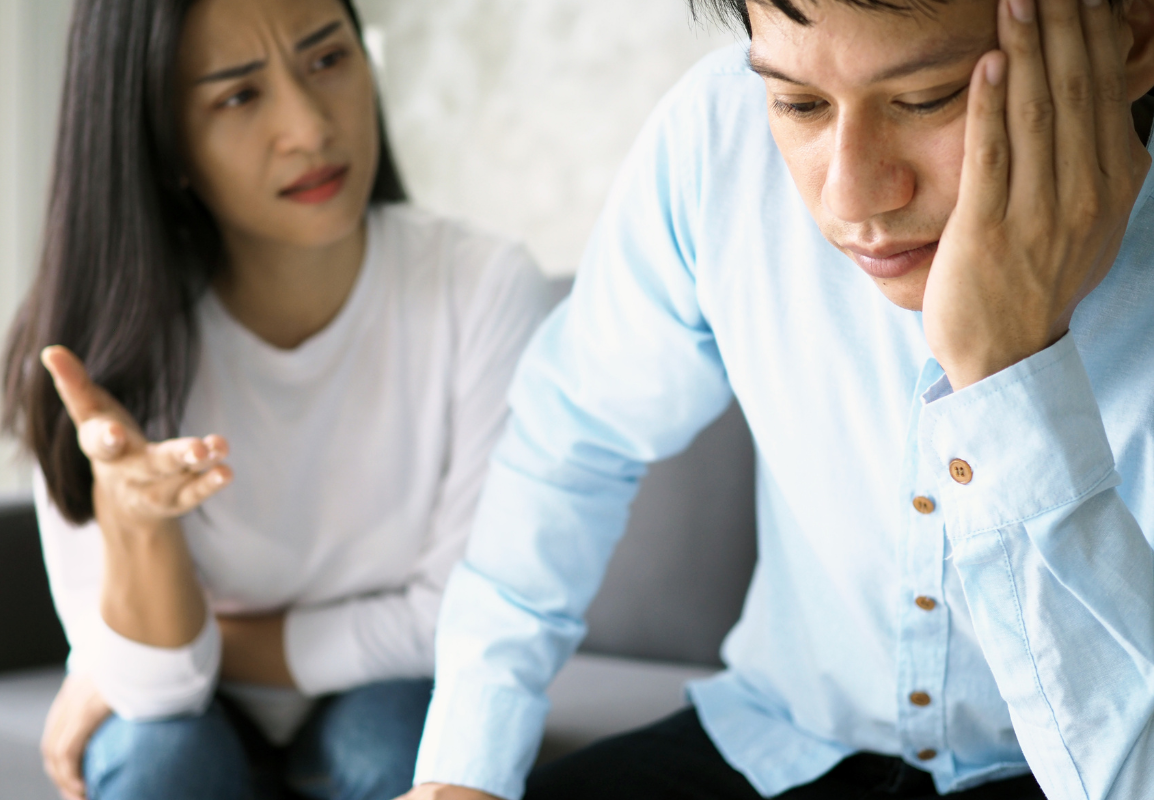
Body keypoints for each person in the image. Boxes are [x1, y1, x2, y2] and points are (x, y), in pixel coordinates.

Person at [397, 0, 1154, 797]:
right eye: (800, 104)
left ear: (1130, 38)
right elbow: (572, 442)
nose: (851, 198)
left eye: (925, 98)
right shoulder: (719, 135)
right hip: (782, 740)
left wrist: (1009, 370)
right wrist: (462, 771)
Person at [0, 0, 547, 798]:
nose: (309, 127)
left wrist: (161, 648)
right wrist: (139, 526)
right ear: (162, 142)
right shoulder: (100, 343)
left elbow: (468, 616)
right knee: (159, 760)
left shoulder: (483, 286)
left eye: (327, 60)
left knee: (409, 744)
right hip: (193, 710)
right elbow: (158, 690)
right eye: (237, 96)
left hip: (387, 688)